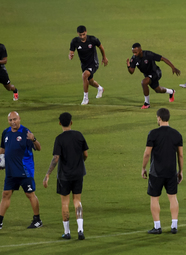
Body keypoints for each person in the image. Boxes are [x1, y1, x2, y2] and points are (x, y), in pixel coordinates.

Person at [43, 112, 88, 240]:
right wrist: (80, 163)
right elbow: (85, 154)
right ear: (71, 122)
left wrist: (47, 174)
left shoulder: (59, 139)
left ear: (59, 123)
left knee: (65, 203)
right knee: (77, 201)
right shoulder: (79, 135)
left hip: (64, 176)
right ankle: (80, 230)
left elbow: (56, 158)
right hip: (78, 173)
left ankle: (67, 232)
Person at [142, 108, 183, 234]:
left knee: (155, 198)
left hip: (156, 173)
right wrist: (180, 171)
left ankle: (157, 226)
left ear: (159, 118)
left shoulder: (153, 134)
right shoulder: (177, 134)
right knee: (172, 197)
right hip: (171, 172)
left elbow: (147, 154)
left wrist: (143, 167)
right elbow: (180, 155)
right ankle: (174, 226)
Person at [0, 111, 42, 229]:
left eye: (15, 119)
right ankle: (0, 221)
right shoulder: (5, 133)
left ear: (19, 119)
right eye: (10, 120)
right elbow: (3, 149)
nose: (13, 122)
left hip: (25, 170)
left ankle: (37, 220)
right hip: (10, 171)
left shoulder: (25, 132)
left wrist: (34, 140)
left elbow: (38, 148)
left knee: (30, 194)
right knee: (5, 194)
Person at [127, 43, 180, 109]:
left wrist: (173, 67)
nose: (134, 54)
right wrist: (128, 66)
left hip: (156, 72)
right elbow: (131, 71)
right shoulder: (134, 58)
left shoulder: (148, 54)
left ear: (140, 50)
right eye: (133, 52)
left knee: (144, 82)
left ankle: (147, 103)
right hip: (148, 75)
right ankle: (171, 92)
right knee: (158, 90)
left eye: (135, 52)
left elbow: (163, 58)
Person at [69, 25, 108, 105]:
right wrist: (71, 55)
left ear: (86, 32)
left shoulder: (92, 39)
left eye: (83, 34)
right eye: (80, 35)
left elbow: (101, 48)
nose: (82, 36)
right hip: (84, 64)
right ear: (78, 34)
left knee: (84, 75)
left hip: (93, 63)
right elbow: (71, 52)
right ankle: (100, 88)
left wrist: (104, 57)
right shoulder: (75, 41)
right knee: (90, 81)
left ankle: (86, 98)